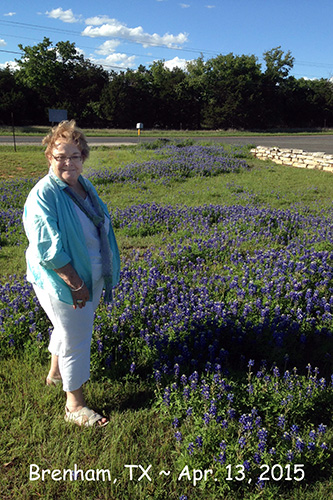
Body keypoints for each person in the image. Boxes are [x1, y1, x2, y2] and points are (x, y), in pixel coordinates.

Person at [23, 120, 120, 427]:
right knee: (78, 337)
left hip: (89, 273)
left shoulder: (82, 185)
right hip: (65, 278)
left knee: (67, 328)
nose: (68, 162)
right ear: (49, 157)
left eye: (74, 155)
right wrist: (76, 283)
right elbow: (47, 249)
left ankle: (54, 373)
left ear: (83, 157)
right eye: (60, 156)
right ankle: (74, 405)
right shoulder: (44, 194)